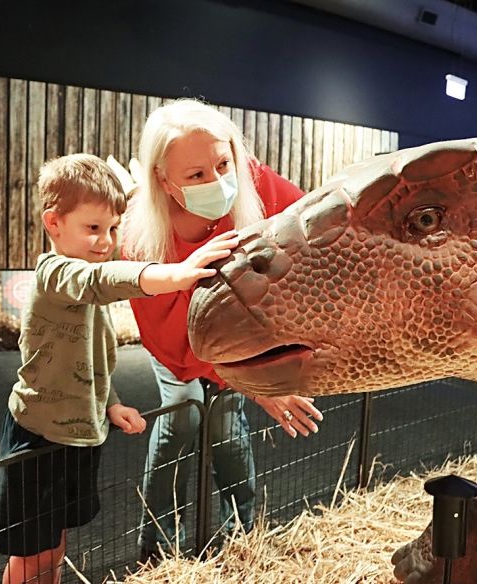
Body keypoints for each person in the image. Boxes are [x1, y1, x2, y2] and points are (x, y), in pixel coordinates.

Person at [0, 153, 240, 584]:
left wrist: (110, 404)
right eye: (93, 228)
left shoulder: (90, 274)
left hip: (78, 433)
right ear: (53, 223)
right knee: (30, 554)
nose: (106, 241)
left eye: (111, 229)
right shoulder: (57, 274)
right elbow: (101, 281)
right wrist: (176, 273)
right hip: (38, 435)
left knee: (54, 543)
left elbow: (92, 356)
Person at [119, 99, 324, 561]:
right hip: (183, 348)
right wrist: (256, 383)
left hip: (240, 340)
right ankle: (159, 544)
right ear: (163, 181)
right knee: (182, 417)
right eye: (195, 175)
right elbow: (170, 346)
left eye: (223, 163)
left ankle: (242, 534)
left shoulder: (256, 183)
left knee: (228, 430)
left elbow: (314, 225)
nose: (217, 180)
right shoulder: (139, 240)